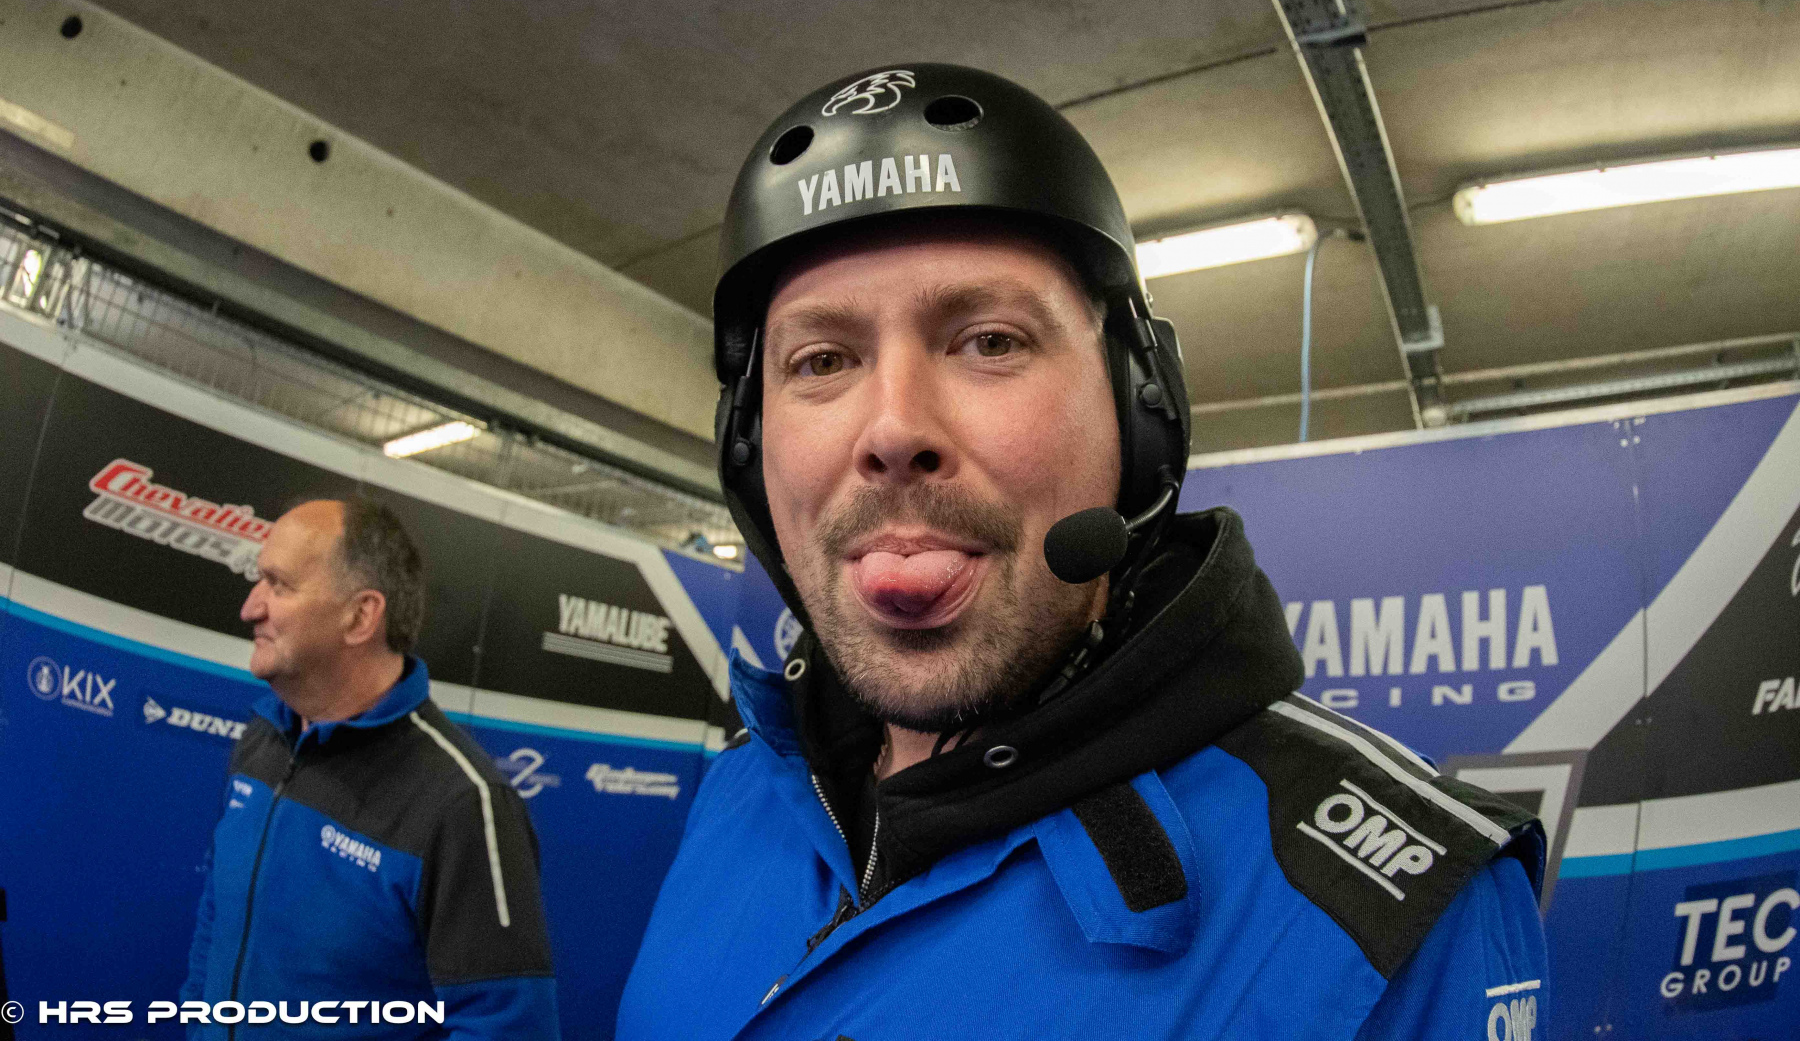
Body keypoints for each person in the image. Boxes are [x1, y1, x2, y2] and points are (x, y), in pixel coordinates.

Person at [617, 64, 1548, 1040]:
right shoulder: (741, 789)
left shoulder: (1403, 920)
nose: (891, 429)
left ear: (1138, 414)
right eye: (821, 360)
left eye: (989, 341)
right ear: (746, 451)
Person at [182, 498, 558, 1038]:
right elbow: (218, 920)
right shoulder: (263, 740)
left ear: (360, 617)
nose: (250, 608)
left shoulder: (464, 804)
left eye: (278, 585)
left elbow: (506, 1026)